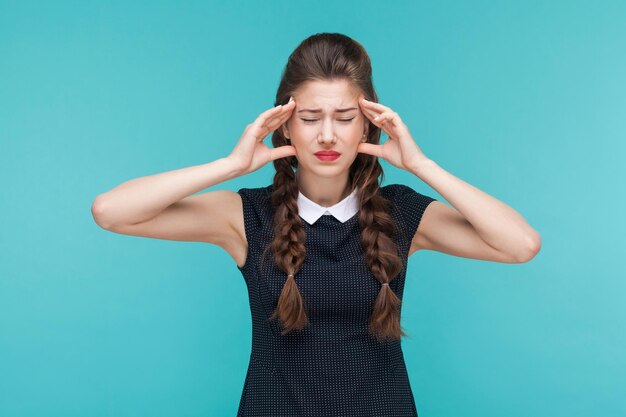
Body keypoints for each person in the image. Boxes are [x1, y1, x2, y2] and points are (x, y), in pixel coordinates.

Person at [92, 32, 541, 417]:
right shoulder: (244, 216)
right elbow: (111, 211)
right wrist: (229, 166)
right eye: (310, 118)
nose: (327, 135)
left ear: (368, 125)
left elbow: (520, 244)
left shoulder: (401, 213)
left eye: (345, 118)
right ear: (285, 125)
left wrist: (423, 166)